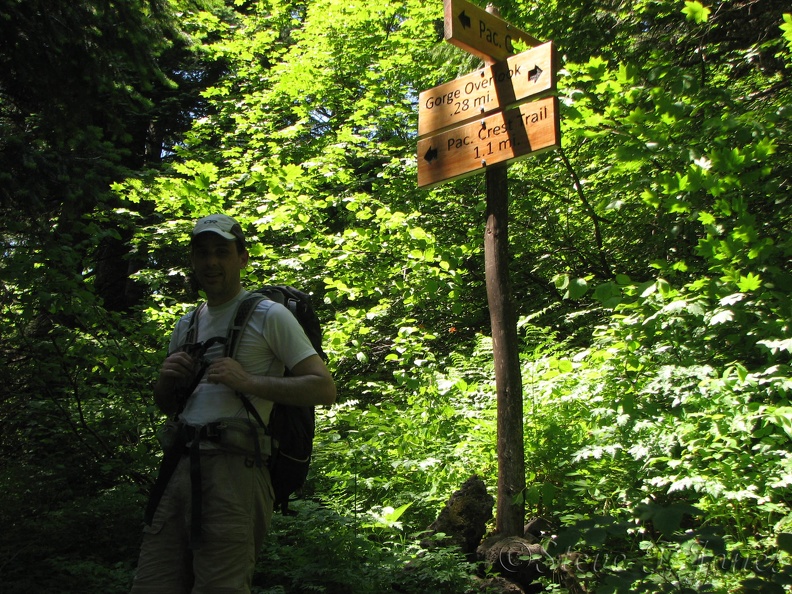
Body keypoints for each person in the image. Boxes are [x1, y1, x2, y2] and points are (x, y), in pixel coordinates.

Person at [131, 213, 336, 594]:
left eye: (222, 252)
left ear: (242, 258)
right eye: (202, 253)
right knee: (151, 584)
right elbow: (167, 405)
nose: (211, 262)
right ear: (192, 261)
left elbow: (323, 388)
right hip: (178, 467)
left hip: (235, 469)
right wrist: (165, 380)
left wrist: (250, 381)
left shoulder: (268, 314)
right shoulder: (186, 324)